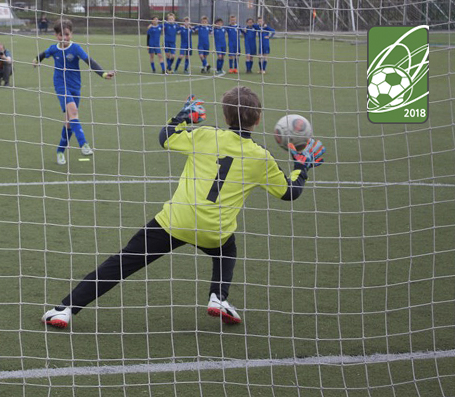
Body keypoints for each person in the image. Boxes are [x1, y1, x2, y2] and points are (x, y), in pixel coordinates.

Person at [41, 86, 326, 329]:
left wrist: (183, 115)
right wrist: (302, 167)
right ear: (259, 119)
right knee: (227, 250)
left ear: (225, 116)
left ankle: (65, 309)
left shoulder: (205, 135)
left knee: (122, 262)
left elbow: (165, 137)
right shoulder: (261, 158)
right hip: (215, 230)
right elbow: (289, 193)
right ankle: (218, 296)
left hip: (175, 221)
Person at [33, 18, 115, 165]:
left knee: (69, 122)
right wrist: (36, 60)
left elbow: (89, 61)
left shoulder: (75, 48)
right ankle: (84, 144)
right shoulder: (54, 48)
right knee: (74, 112)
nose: (63, 38)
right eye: (60, 35)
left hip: (75, 86)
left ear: (71, 33)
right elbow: (43, 54)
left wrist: (102, 74)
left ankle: (60, 151)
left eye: (66, 34)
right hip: (60, 85)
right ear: (55, 35)